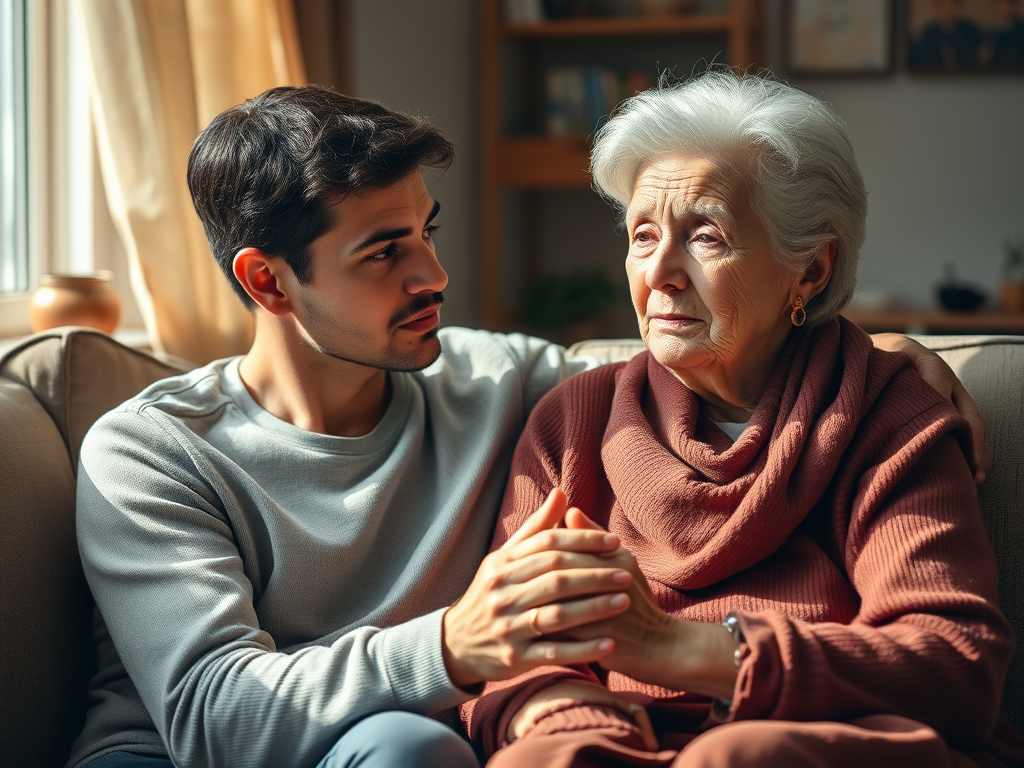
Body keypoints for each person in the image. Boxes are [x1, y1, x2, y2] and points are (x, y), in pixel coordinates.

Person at [69, 85, 991, 768]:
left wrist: (877, 346)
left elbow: (708, 377)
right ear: (267, 282)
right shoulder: (148, 453)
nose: (432, 274)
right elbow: (208, 718)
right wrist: (455, 645)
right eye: (386, 252)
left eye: (426, 231)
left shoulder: (505, 385)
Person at [463, 72, 1023, 767]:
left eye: (705, 235)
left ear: (811, 271)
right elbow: (512, 645)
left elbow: (951, 665)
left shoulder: (888, 419)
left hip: (816, 743)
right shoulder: (573, 420)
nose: (660, 272)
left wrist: (674, 648)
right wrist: (576, 726)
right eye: (642, 234)